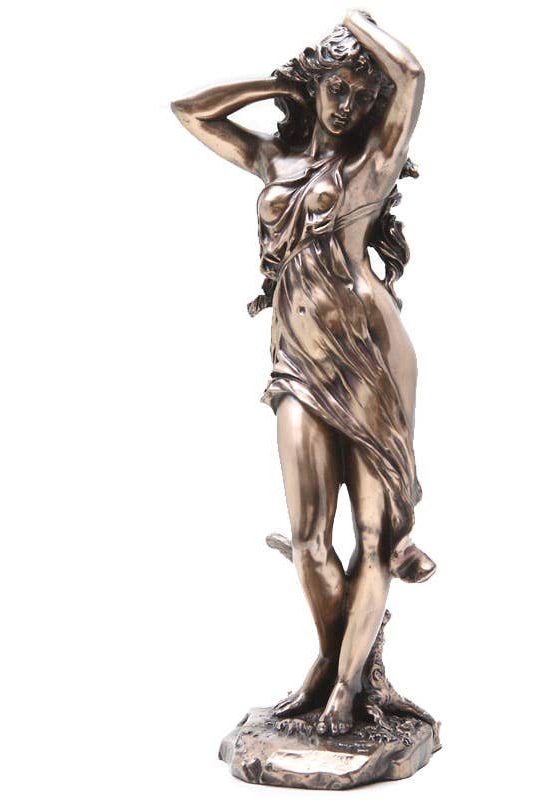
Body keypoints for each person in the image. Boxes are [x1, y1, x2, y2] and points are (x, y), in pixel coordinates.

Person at [172, 10, 435, 735]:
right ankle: (334, 658)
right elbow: (191, 112)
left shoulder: (371, 167)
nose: (347, 104)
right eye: (336, 87)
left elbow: (412, 74)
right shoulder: (273, 162)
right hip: (295, 359)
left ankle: (346, 687)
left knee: (373, 536)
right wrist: (279, 84)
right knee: (310, 538)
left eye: (361, 95)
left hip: (370, 355)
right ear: (315, 86)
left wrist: (355, 16)